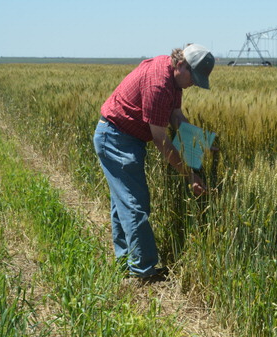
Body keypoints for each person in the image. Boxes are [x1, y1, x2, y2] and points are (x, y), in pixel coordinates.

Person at [93, 44, 215, 281]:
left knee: (122, 205)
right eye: (194, 77)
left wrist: (201, 141)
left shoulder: (173, 76)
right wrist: (190, 176)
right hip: (116, 138)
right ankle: (144, 271)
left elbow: (176, 116)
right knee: (135, 205)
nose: (193, 84)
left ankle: (125, 264)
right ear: (181, 65)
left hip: (124, 137)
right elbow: (161, 140)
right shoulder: (158, 84)